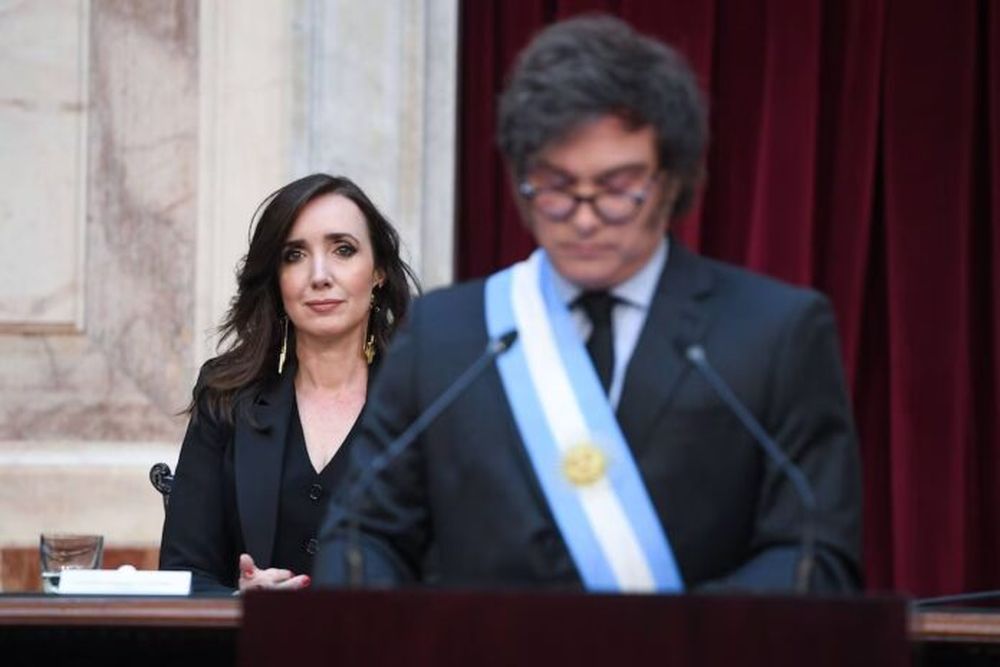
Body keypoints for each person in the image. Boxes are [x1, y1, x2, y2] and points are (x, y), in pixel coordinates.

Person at [314, 16, 862, 592]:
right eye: (555, 187)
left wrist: (668, 643)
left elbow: (813, 556)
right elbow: (364, 534)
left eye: (617, 189)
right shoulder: (447, 336)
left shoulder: (774, 333)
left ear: (671, 179)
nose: (582, 218)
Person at [160, 174, 418, 595]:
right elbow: (184, 573)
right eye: (294, 255)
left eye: (343, 250)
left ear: (379, 273)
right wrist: (240, 602)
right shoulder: (227, 396)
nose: (319, 275)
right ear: (276, 280)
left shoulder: (426, 400)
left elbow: (464, 572)